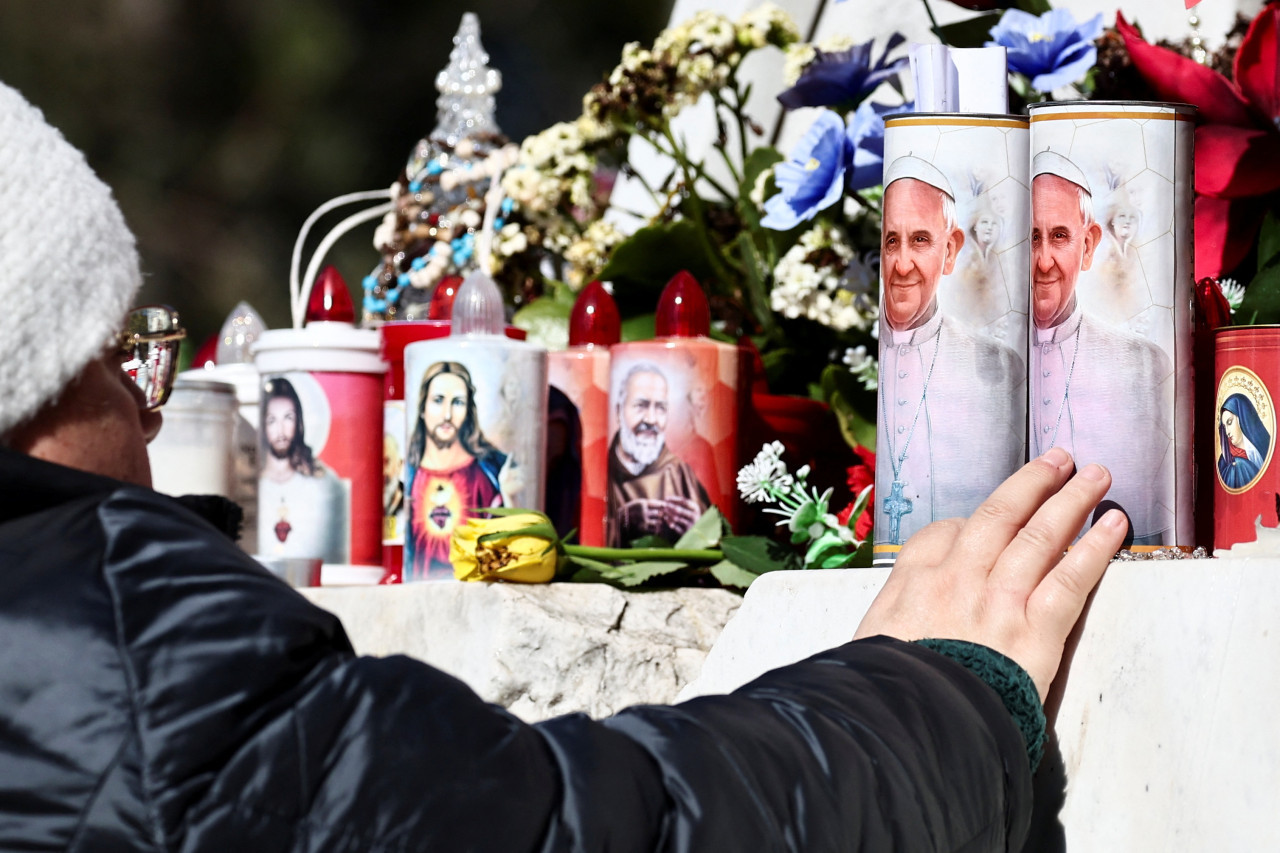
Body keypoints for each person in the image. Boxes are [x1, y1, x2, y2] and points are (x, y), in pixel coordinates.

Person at [0, 79, 1131, 851]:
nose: (148, 425)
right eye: (120, 364)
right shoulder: (129, 676)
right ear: (30, 385)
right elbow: (585, 829)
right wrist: (938, 690)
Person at [876, 155, 1025, 551]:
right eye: (892, 241)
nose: (902, 264)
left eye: (920, 241)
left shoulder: (998, 367)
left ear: (950, 250)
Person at [1030, 150, 1174, 545]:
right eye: (1030, 238)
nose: (1044, 261)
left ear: (1089, 244)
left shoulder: (1141, 364)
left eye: (1059, 236)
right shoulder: (992, 365)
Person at [405, 360, 517, 579]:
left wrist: (511, 498)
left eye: (457, 403)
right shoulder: (407, 472)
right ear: (422, 407)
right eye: (438, 400)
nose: (447, 415)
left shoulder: (493, 473)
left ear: (468, 411)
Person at [606, 362, 711, 546]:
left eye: (660, 408)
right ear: (618, 411)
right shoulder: (599, 469)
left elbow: (715, 541)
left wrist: (699, 529)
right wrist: (624, 522)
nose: (651, 419)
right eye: (641, 405)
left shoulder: (680, 472)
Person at [258, 376, 348, 563]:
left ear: (299, 422)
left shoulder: (323, 485)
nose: (280, 431)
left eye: (288, 418)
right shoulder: (250, 486)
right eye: (272, 420)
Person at [1218, 392, 1271, 490]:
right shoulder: (1229, 463)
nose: (1227, 433)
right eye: (1224, 427)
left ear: (1242, 418)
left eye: (1229, 422)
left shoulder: (1265, 446)